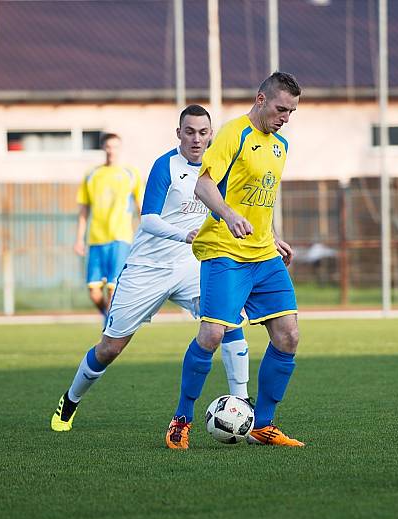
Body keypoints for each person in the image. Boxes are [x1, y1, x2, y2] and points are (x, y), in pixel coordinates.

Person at [51, 105, 250, 432]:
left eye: (203, 132)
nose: (196, 139)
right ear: (179, 134)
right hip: (148, 267)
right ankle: (71, 399)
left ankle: (242, 403)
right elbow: (149, 219)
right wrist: (184, 234)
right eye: (190, 132)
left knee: (226, 320)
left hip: (191, 266)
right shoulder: (165, 165)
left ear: (211, 134)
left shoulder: (221, 167)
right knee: (110, 347)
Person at [164, 72, 304, 449]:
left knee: (288, 335)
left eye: (291, 111)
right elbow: (204, 184)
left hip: (262, 254)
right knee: (211, 335)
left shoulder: (280, 147)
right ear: (260, 100)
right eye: (280, 109)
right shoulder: (232, 133)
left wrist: (272, 236)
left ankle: (263, 425)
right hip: (225, 251)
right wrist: (227, 214)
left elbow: (260, 199)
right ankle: (181, 419)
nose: (285, 117)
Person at [74, 133, 143, 323]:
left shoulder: (130, 174)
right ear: (103, 148)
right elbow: (83, 210)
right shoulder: (92, 174)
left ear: (120, 149)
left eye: (115, 146)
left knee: (114, 289)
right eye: (108, 146)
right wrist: (79, 239)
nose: (111, 150)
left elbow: (141, 207)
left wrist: (145, 234)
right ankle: (109, 319)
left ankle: (109, 330)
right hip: (96, 239)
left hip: (120, 238)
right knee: (94, 291)